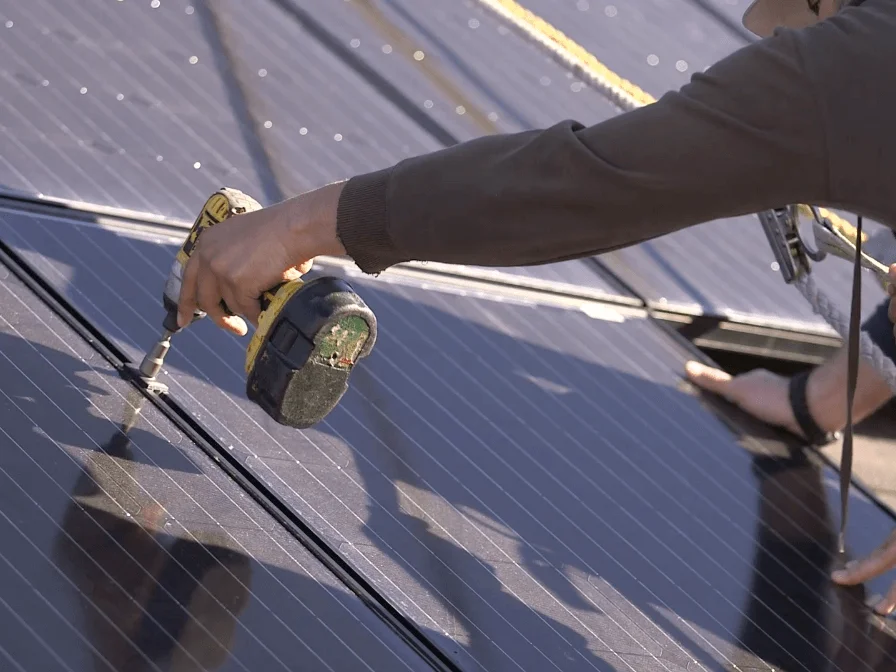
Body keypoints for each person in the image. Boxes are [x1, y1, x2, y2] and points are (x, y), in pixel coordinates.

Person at [177, 0, 896, 610]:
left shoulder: (852, 64)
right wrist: (822, 400)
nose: (768, 28)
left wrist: (296, 224)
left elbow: (582, 187)